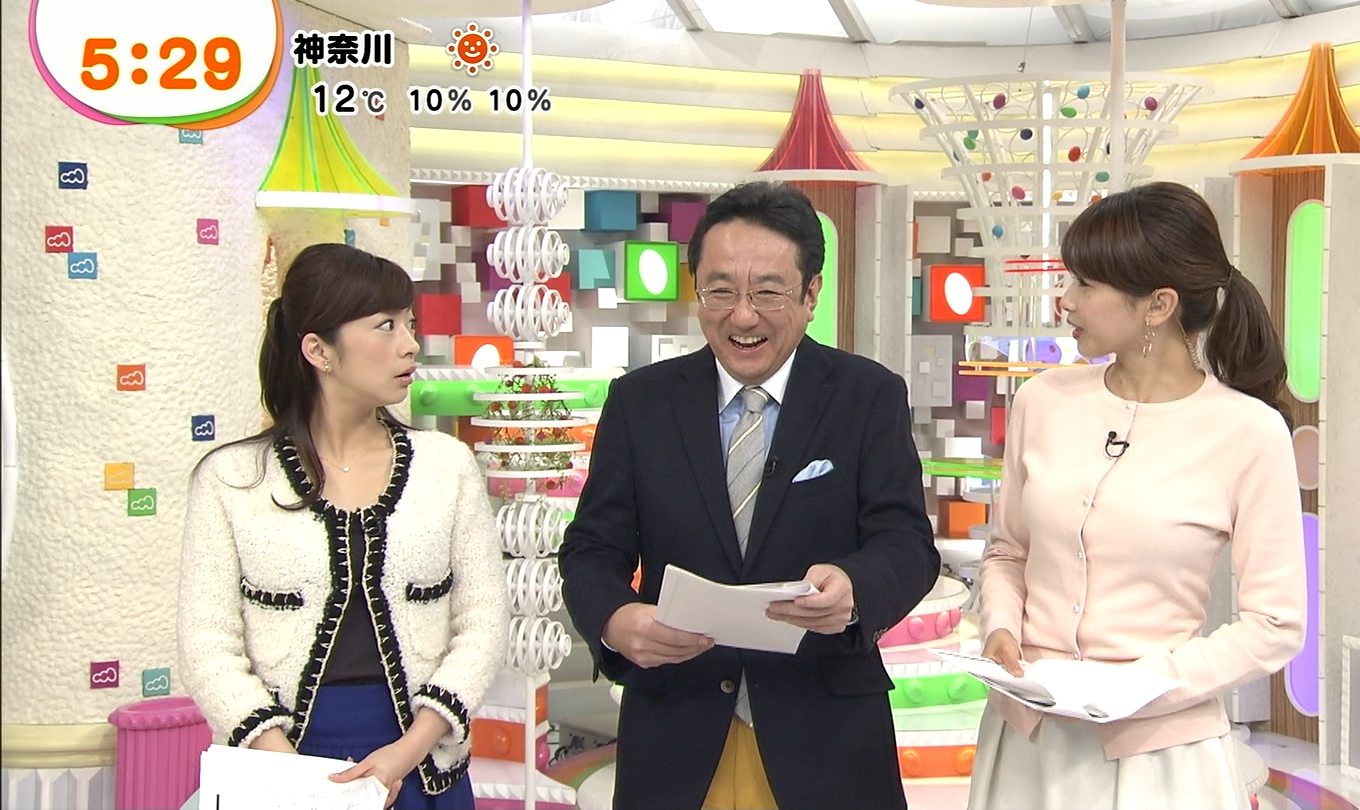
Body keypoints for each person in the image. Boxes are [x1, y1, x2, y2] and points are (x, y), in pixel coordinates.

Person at [559, 181, 940, 810]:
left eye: (767, 292)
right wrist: (615, 620)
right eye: (721, 291)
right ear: (697, 289)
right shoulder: (640, 402)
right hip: (675, 729)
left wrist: (854, 587)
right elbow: (591, 549)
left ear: (811, 294)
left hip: (825, 733)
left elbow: (905, 544)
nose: (742, 316)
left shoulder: (867, 395)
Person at [970, 181, 1306, 809]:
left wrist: (1145, 684)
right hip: (1027, 741)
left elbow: (1275, 624)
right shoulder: (1042, 401)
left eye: (1085, 284)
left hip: (1161, 761)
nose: (1065, 300)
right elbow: (1008, 552)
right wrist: (1001, 629)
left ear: (1158, 305)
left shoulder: (1249, 431)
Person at [177, 243, 507, 810]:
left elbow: (483, 624)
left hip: (419, 759)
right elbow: (207, 646)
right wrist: (289, 770)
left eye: (410, 323)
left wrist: (409, 749)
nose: (410, 343)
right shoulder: (231, 479)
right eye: (385, 325)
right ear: (318, 351)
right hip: (280, 763)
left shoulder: (447, 467)